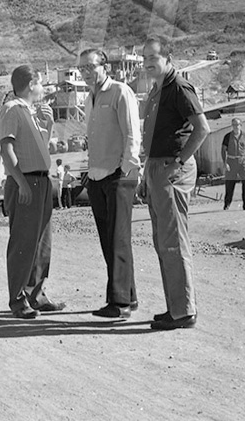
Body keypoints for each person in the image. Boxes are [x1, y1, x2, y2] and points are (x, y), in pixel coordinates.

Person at [140, 37, 210, 331]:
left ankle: (183, 312)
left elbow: (202, 129)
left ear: (168, 59)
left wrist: (177, 164)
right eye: (144, 59)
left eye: (153, 58)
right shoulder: (157, 89)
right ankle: (175, 307)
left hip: (172, 168)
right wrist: (148, 172)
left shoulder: (179, 87)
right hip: (157, 166)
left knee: (173, 241)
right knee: (163, 241)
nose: (147, 64)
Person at [0, 65, 66, 319]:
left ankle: (36, 294)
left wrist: (47, 124)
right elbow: (7, 148)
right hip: (25, 181)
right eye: (40, 84)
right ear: (30, 85)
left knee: (41, 244)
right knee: (23, 244)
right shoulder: (12, 109)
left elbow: (39, 149)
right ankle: (18, 300)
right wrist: (21, 182)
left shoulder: (31, 112)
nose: (43, 89)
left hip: (40, 180)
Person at [78, 48, 141, 320]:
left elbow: (132, 133)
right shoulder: (89, 99)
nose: (85, 72)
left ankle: (120, 302)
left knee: (118, 239)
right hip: (96, 176)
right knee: (108, 240)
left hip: (117, 175)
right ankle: (129, 295)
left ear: (105, 66)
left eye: (90, 66)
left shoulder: (120, 92)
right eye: (81, 68)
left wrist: (127, 169)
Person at [221, 118, 245, 210]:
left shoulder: (244, 136)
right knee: (230, 182)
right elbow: (223, 150)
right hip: (231, 161)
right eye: (233, 125)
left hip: (243, 161)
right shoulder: (227, 136)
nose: (235, 126)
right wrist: (225, 163)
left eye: (237, 124)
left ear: (241, 125)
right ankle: (227, 204)